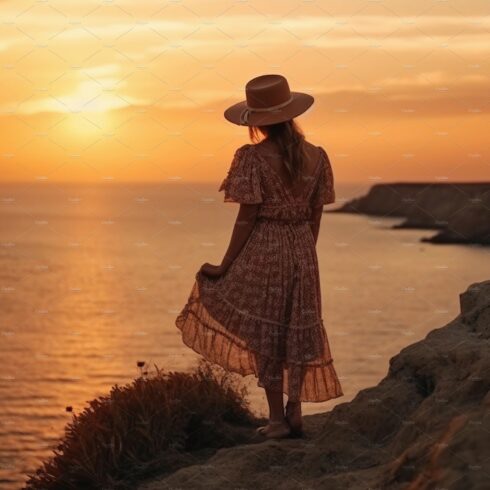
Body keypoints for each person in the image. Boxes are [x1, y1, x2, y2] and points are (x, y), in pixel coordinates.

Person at [175, 74, 343, 439]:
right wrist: (304, 254)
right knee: (298, 328)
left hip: (266, 248)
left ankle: (277, 420)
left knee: (267, 331)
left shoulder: (251, 157)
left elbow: (247, 217)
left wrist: (225, 264)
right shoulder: (318, 157)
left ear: (256, 121)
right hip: (303, 250)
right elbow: (316, 215)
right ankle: (295, 410)